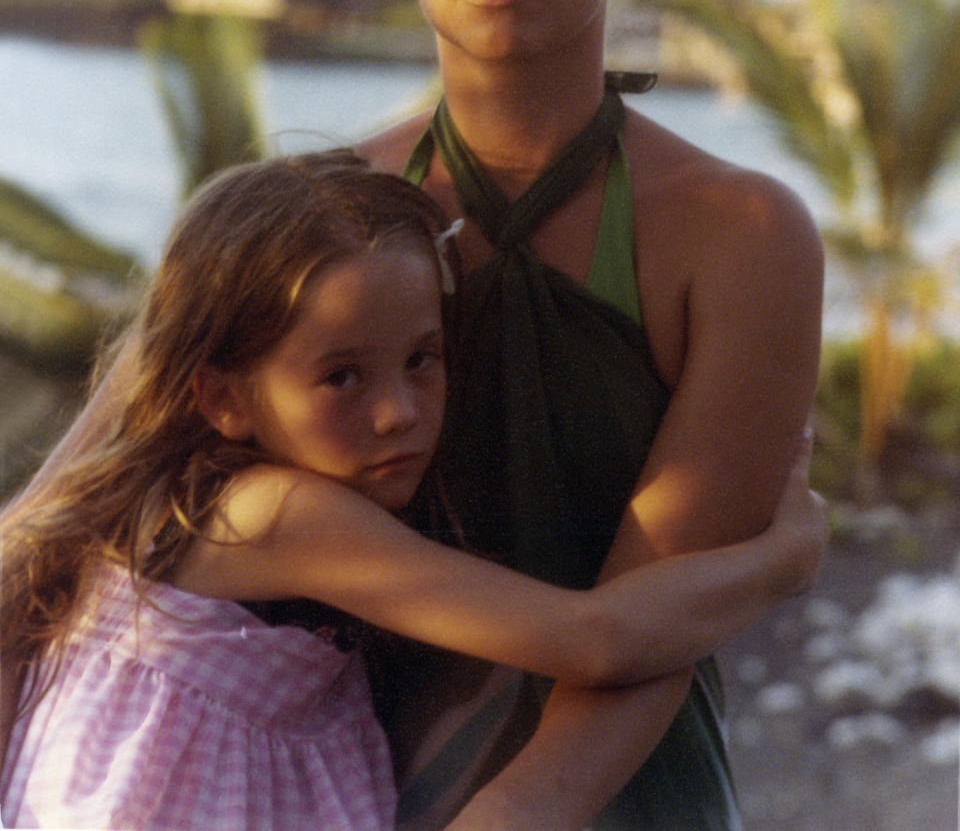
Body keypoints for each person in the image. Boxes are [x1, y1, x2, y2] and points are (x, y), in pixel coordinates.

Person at [0, 152, 825, 831]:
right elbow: (593, 640)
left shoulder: (177, 504)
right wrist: (778, 561)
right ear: (223, 399)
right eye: (342, 376)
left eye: (422, 359)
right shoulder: (279, 515)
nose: (397, 413)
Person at [353, 0, 827, 830]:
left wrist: (513, 813)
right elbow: (103, 509)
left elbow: (652, 618)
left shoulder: (742, 233)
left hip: (631, 799)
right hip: (335, 788)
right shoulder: (317, 216)